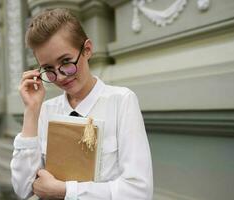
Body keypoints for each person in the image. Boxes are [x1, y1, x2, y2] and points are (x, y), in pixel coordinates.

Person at [10, 8, 153, 200]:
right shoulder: (46, 110)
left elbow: (139, 191)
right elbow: (23, 189)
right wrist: (31, 110)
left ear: (87, 50)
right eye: (48, 69)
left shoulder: (121, 101)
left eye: (66, 62)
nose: (60, 76)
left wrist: (66, 191)